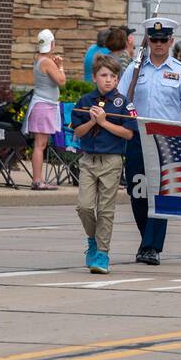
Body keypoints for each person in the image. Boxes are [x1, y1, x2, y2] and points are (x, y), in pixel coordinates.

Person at [118, 17, 181, 266]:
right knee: (137, 191)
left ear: (171, 41)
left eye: (163, 39)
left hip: (167, 140)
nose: (158, 44)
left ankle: (151, 247)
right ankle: (147, 240)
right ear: (148, 40)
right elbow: (119, 100)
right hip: (137, 137)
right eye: (154, 39)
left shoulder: (180, 72)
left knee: (160, 194)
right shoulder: (135, 69)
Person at [72, 55, 134, 273]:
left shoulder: (124, 103)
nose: (108, 80)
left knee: (106, 209)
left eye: (113, 76)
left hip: (111, 160)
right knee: (84, 206)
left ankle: (102, 254)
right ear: (95, 77)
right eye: (104, 75)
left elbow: (128, 133)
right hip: (88, 159)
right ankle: (92, 240)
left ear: (117, 80)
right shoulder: (85, 101)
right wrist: (91, 121)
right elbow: (77, 132)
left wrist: (104, 122)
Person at [24, 29, 66, 190]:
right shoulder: (47, 62)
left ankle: (38, 179)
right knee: (40, 145)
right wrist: (60, 66)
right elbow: (61, 81)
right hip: (44, 106)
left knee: (39, 144)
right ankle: (37, 181)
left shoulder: (39, 59)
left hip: (42, 105)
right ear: (52, 44)